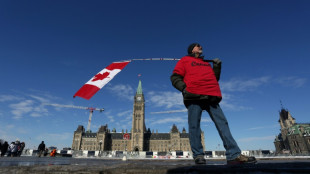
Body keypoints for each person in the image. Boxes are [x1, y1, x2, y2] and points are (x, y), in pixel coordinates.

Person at [170, 43, 257, 165]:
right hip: (194, 96)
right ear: (192, 50)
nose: (200, 46)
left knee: (223, 124)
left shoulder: (206, 63)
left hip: (211, 96)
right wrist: (184, 89)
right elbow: (175, 77)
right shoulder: (185, 60)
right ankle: (198, 155)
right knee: (194, 126)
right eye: (197, 46)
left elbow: (214, 79)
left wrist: (217, 67)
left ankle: (233, 155)